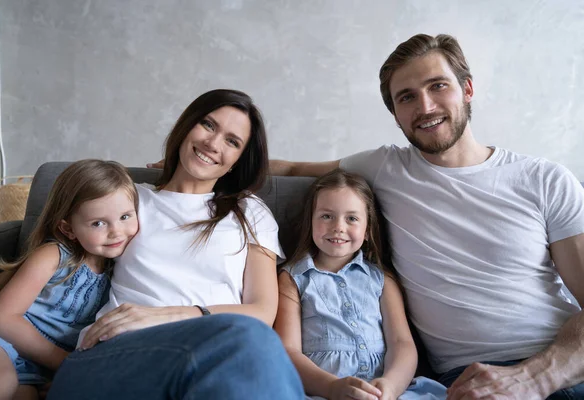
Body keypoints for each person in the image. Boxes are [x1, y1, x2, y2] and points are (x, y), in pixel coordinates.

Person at [269, 34, 584, 400]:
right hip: (468, 381)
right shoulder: (385, 168)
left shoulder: (546, 180)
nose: (426, 105)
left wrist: (535, 379)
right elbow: (290, 167)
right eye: (407, 97)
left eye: (438, 86)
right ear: (395, 114)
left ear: (467, 89)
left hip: (564, 367)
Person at [46, 89, 304, 399]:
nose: (212, 143)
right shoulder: (130, 200)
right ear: (187, 126)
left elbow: (261, 311)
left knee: (252, 341)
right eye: (208, 125)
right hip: (118, 351)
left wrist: (167, 314)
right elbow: (58, 253)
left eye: (232, 141)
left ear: (237, 160)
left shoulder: (250, 212)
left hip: (218, 351)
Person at [274, 169, 447, 400]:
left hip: (385, 392)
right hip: (321, 391)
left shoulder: (381, 279)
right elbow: (288, 351)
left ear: (367, 230)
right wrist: (332, 388)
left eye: (352, 218)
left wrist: (391, 387)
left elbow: (401, 343)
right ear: (311, 221)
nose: (338, 227)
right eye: (326, 216)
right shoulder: (292, 278)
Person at [0, 159, 139, 400]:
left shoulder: (122, 271)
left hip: (34, 368)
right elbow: (0, 320)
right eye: (98, 223)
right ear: (68, 229)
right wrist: (64, 362)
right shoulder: (53, 256)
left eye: (126, 217)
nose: (116, 231)